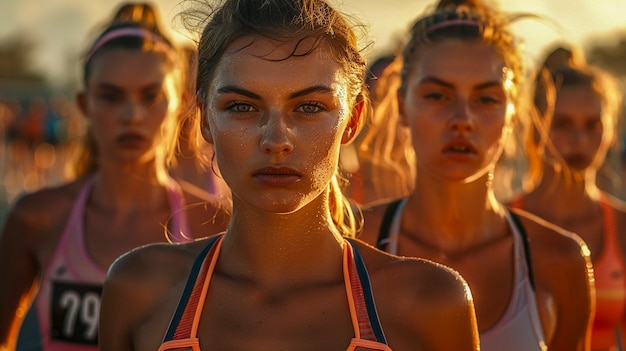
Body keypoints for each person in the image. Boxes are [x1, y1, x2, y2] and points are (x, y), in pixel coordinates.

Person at [98, 0, 480, 350]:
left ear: (353, 119)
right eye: (243, 106)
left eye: (310, 107)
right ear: (205, 120)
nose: (276, 139)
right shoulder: (139, 289)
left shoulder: (431, 303)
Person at [357, 0, 596, 350]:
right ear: (402, 105)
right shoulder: (353, 243)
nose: (462, 119)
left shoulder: (560, 260)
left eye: (486, 99)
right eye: (437, 95)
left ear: (513, 113)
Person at [0, 3, 230, 350]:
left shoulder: (214, 222)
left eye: (150, 95)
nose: (131, 114)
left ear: (180, 102)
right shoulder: (37, 217)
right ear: (84, 104)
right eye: (110, 96)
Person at [511, 45, 624, 351]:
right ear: (536, 129)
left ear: (611, 131)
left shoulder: (623, 227)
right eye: (561, 124)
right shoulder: (500, 223)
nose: (579, 140)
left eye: (592, 125)